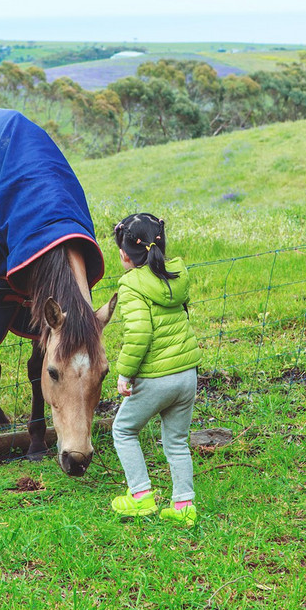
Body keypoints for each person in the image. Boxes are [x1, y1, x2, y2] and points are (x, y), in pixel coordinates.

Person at [109, 212, 203, 525]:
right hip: (187, 376)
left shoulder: (131, 285)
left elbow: (139, 335)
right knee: (176, 441)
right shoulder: (176, 274)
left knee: (123, 430)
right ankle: (183, 507)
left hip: (155, 378)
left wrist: (125, 373)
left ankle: (141, 496)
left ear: (124, 254)